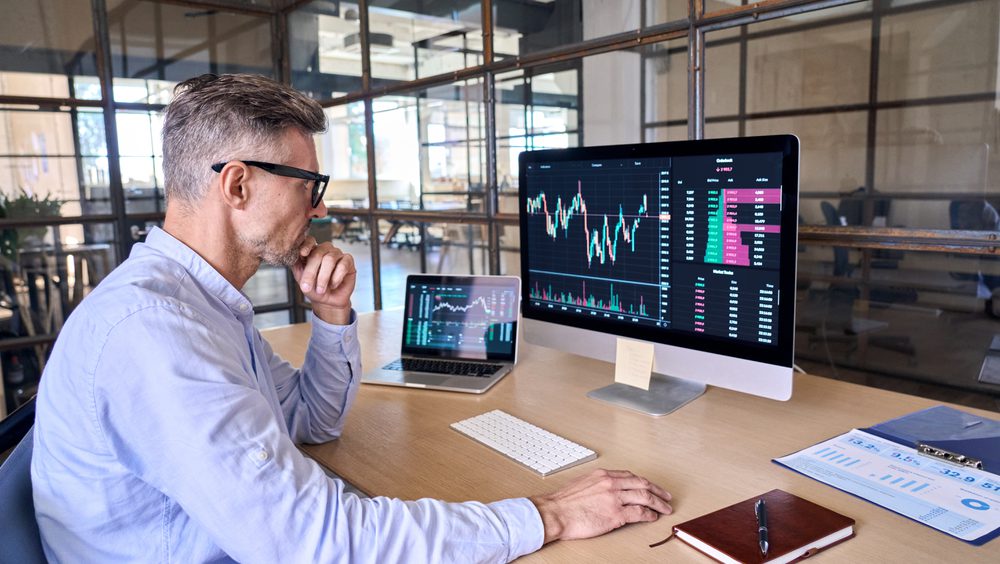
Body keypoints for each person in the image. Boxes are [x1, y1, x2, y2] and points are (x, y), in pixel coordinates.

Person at [30, 73, 672, 563]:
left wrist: (333, 319)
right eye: (308, 184)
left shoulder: (203, 307)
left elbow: (309, 423)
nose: (316, 207)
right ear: (237, 186)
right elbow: (314, 540)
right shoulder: (156, 333)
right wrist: (546, 515)